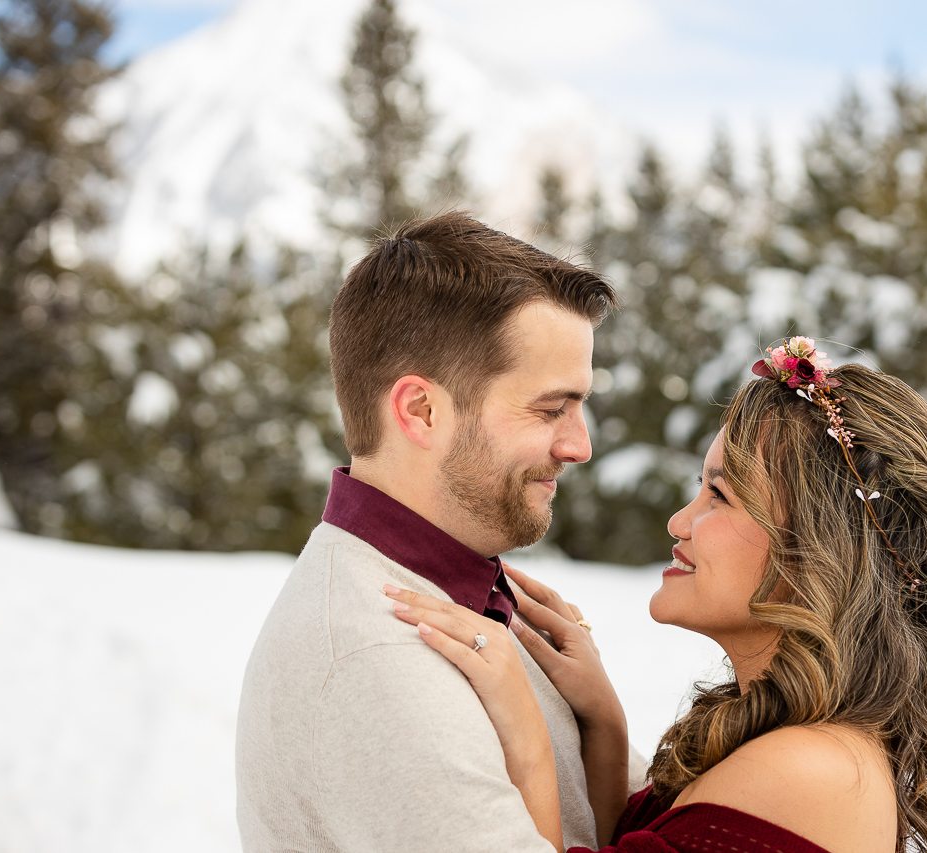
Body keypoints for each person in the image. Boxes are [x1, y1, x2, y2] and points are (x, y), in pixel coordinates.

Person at [386, 336, 927, 853]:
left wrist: (525, 733)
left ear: (816, 551)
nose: (680, 522)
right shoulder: (792, 740)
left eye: (720, 494)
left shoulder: (810, 769)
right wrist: (603, 721)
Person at [235, 211, 644, 852]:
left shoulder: (470, 600)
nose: (580, 446)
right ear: (421, 411)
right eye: (550, 408)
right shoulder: (380, 662)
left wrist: (603, 728)